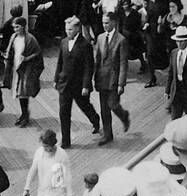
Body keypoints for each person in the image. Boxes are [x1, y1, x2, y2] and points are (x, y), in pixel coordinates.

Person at [54, 16, 100, 149]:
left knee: (84, 106)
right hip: (64, 84)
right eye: (66, 29)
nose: (67, 31)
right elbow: (60, 62)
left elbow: (88, 67)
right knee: (64, 112)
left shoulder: (85, 45)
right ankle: (66, 141)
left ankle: (95, 120)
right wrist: (56, 78)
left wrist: (86, 85)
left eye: (70, 29)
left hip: (79, 85)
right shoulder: (63, 42)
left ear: (77, 29)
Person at [93, 10, 130, 143]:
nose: (104, 25)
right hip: (102, 78)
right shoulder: (100, 37)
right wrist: (93, 77)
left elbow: (123, 63)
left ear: (114, 23)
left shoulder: (121, 40)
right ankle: (108, 135)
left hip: (114, 79)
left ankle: (124, 115)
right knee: (104, 109)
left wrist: (121, 83)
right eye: (103, 23)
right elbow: (97, 59)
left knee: (113, 104)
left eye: (107, 23)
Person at [4, 15, 44, 127]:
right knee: (19, 93)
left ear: (23, 27)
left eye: (17, 27)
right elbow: (10, 49)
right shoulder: (14, 37)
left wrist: (26, 59)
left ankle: (25, 115)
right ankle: (23, 114)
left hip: (26, 69)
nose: (15, 29)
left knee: (23, 93)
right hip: (16, 67)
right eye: (14, 27)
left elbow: (37, 53)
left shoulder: (30, 39)